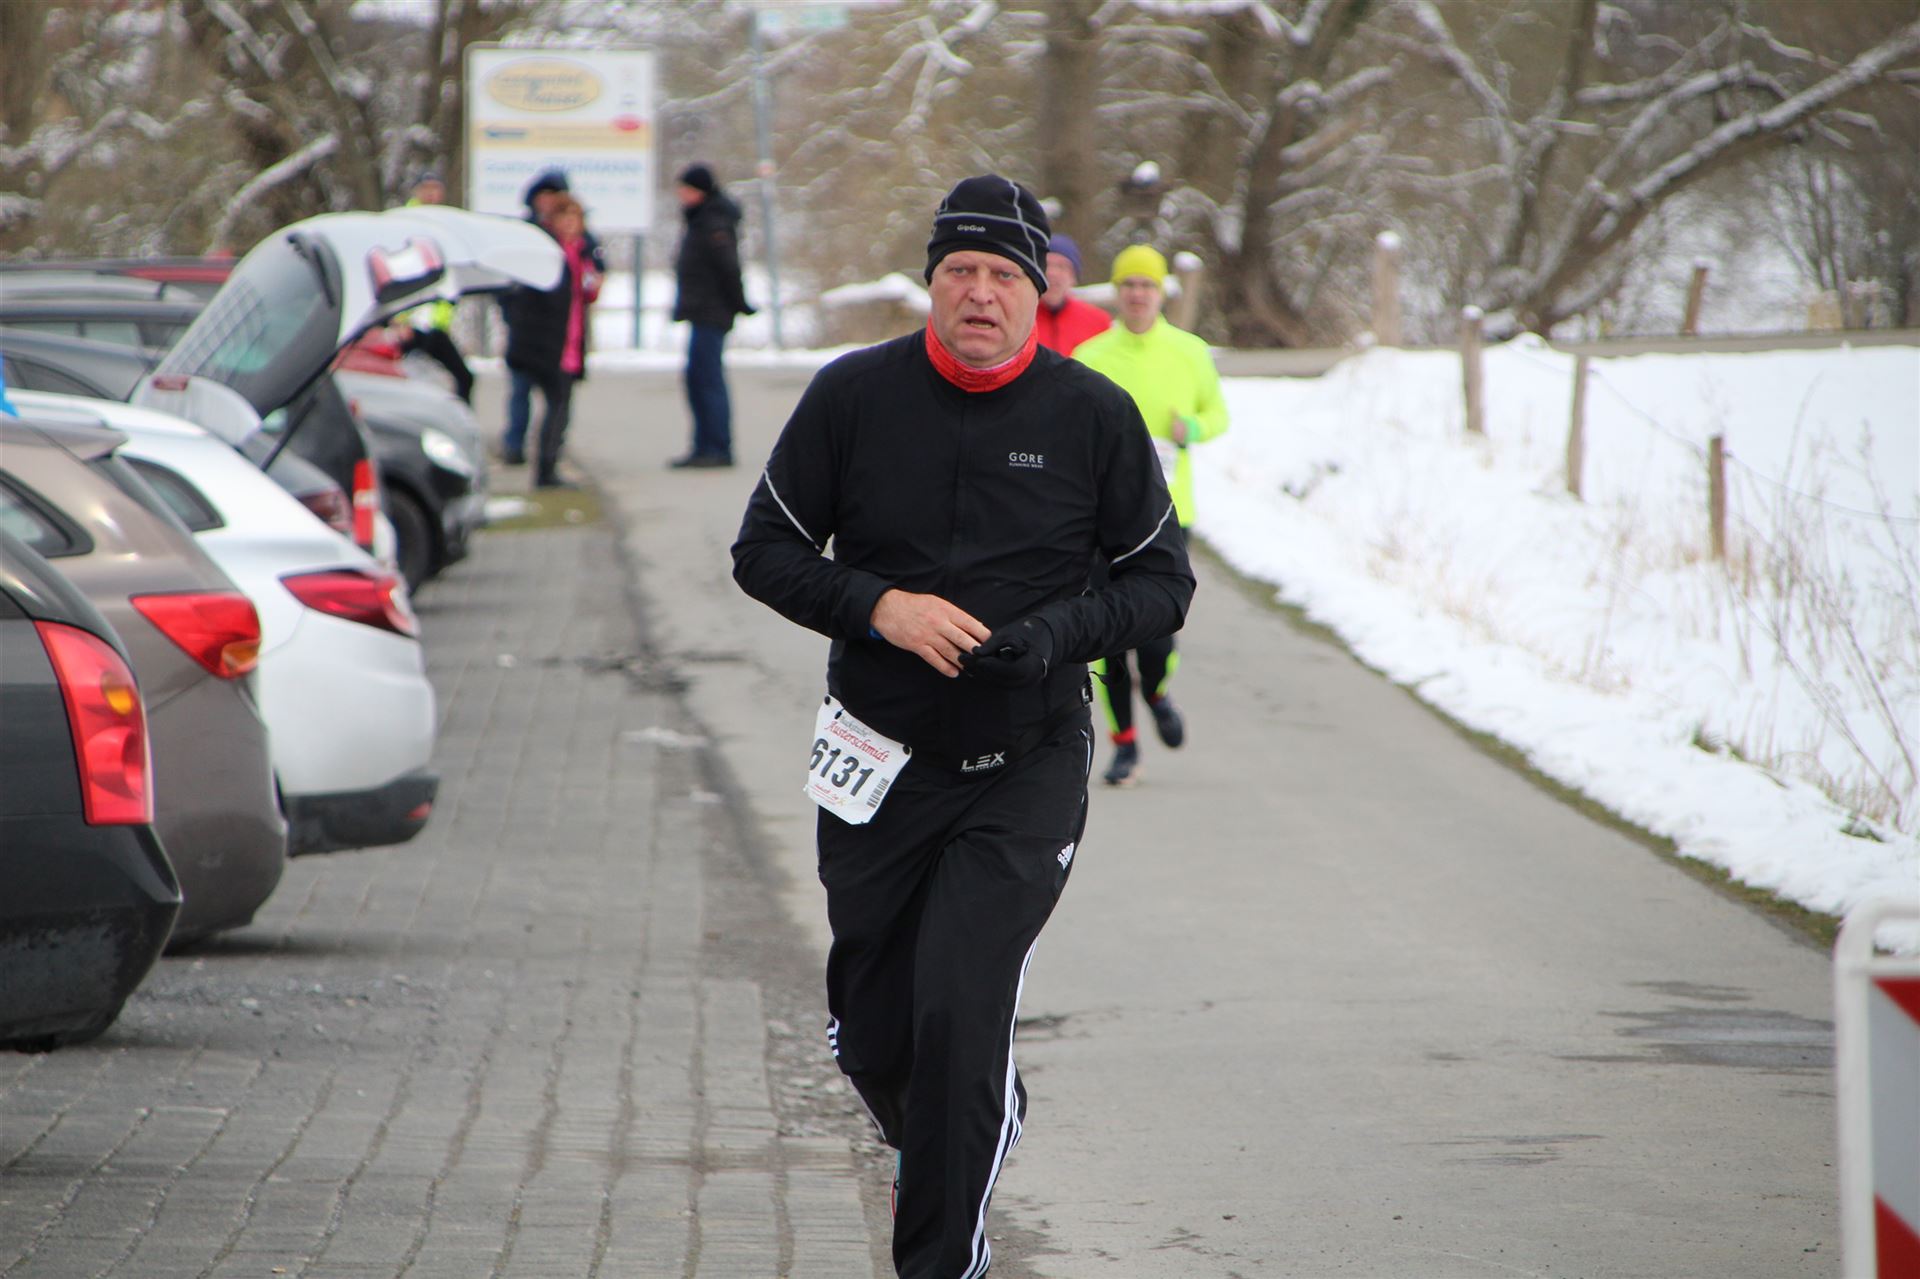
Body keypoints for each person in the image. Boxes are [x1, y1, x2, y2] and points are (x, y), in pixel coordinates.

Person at [731, 175, 1193, 1278]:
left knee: (959, 1006)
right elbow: (763, 552)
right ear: (931, 282)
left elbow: (1162, 584)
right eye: (959, 271)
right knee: (876, 1035)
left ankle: (944, 1256)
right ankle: (972, 1120)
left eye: (1002, 275)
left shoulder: (1093, 415)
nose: (980, 293)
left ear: (1041, 292)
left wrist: (1058, 632)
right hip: (876, 759)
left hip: (1024, 762)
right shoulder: (853, 396)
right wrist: (877, 606)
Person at [1072, 244, 1228, 786]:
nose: (1138, 294)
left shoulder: (1189, 352)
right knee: (1109, 638)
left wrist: (1194, 428)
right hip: (1102, 521)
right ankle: (1124, 746)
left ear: (1161, 293)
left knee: (1157, 637)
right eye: (1129, 285)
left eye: (1147, 285)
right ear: (1117, 293)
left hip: (1169, 515)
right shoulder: (1091, 355)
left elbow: (1218, 413)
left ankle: (1157, 692)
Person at [501, 170, 604, 463]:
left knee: (560, 403)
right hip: (537, 337)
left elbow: (589, 286)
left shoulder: (583, 249)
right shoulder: (537, 245)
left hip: (567, 337)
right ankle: (520, 449)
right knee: (526, 393)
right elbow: (518, 293)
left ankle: (549, 459)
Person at [669, 163, 754, 469]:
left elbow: (728, 267)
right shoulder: (699, 218)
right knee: (696, 379)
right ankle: (703, 445)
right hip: (701, 310)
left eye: (686, 188)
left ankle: (717, 447)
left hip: (712, 311)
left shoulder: (713, 221)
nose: (681, 194)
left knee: (707, 379)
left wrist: (740, 303)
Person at [390, 172, 475, 404]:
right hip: (408, 323)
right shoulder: (403, 224)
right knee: (403, 381)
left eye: (435, 188)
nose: (431, 194)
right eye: (426, 188)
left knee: (464, 377)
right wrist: (397, 318)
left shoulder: (444, 225)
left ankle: (458, 422)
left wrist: (445, 315)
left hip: (434, 325)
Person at [1032, 232, 1110, 355]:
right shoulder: (1018, 317)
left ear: (1073, 277)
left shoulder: (1099, 322)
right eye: (1046, 265)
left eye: (1061, 266)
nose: (1052, 273)